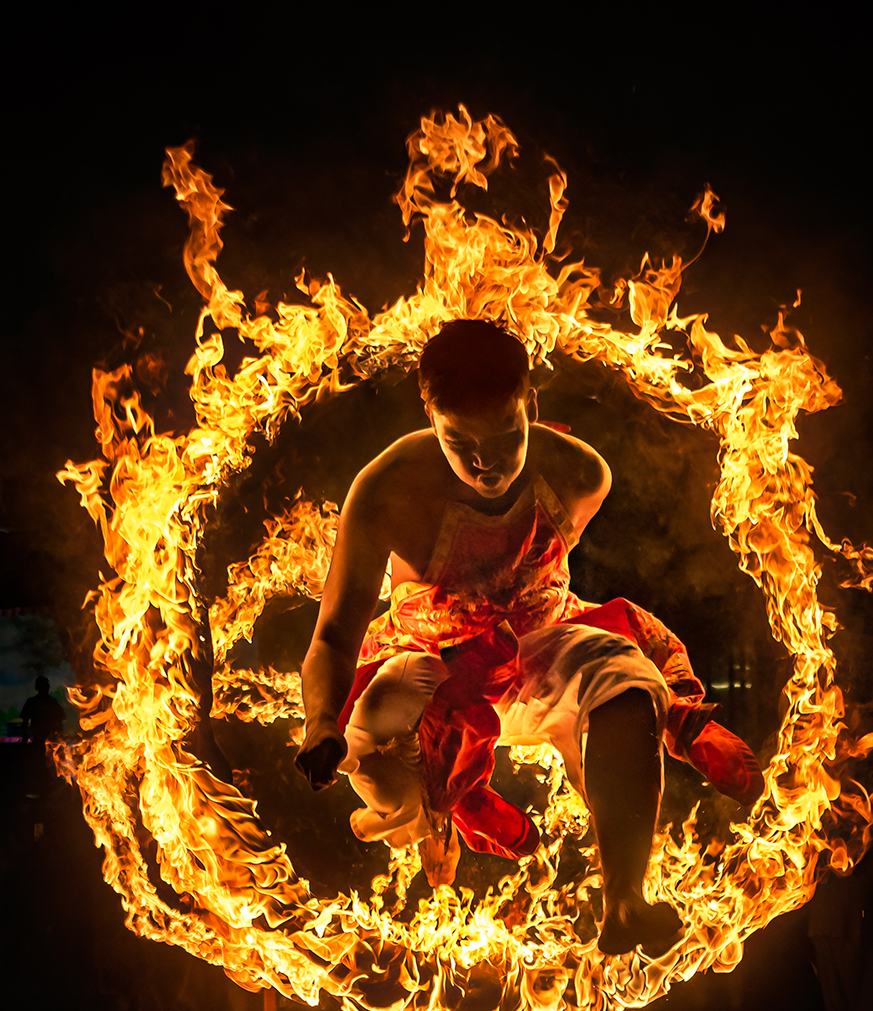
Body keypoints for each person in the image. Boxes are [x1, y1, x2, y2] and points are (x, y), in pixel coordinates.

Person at [292, 319, 761, 958]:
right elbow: (332, 637)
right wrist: (320, 724)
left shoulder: (580, 475)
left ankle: (624, 899)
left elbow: (538, 573)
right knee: (387, 757)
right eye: (460, 443)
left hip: (537, 641)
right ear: (430, 419)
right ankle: (431, 805)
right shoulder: (385, 491)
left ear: (531, 408)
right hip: (431, 661)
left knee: (626, 677)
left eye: (505, 438)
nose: (485, 463)